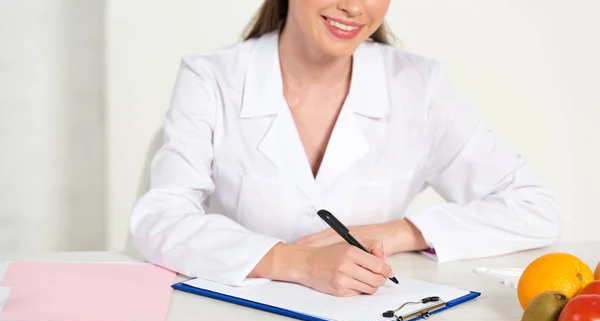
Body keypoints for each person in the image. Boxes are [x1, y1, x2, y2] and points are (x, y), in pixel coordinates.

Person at [129, 0, 562, 297]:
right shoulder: (212, 79)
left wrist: (401, 232)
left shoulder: (419, 85)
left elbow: (535, 208)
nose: (354, 6)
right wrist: (294, 262)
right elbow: (160, 218)